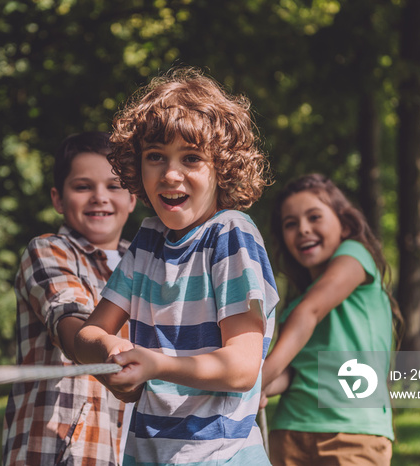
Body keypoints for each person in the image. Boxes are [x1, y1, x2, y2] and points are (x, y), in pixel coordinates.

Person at [74, 67, 279, 465]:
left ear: (223, 167)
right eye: (155, 157)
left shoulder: (230, 234)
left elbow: (241, 367)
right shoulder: (147, 242)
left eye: (191, 158)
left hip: (222, 456)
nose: (170, 174)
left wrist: (156, 365)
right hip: (147, 452)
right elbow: (88, 335)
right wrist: (110, 350)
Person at [2, 131, 137, 466]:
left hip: (126, 447)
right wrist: (105, 348)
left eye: (114, 185)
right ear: (58, 199)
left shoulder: (147, 266)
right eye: (83, 186)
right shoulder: (48, 250)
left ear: (133, 197)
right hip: (55, 450)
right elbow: (68, 319)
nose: (99, 197)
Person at [260, 173, 403, 466]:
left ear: (345, 225)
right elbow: (291, 374)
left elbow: (312, 310)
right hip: (290, 431)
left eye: (314, 217)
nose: (302, 229)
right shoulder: (295, 306)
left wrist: (252, 380)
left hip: (354, 434)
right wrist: (262, 388)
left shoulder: (356, 256)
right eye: (290, 224)